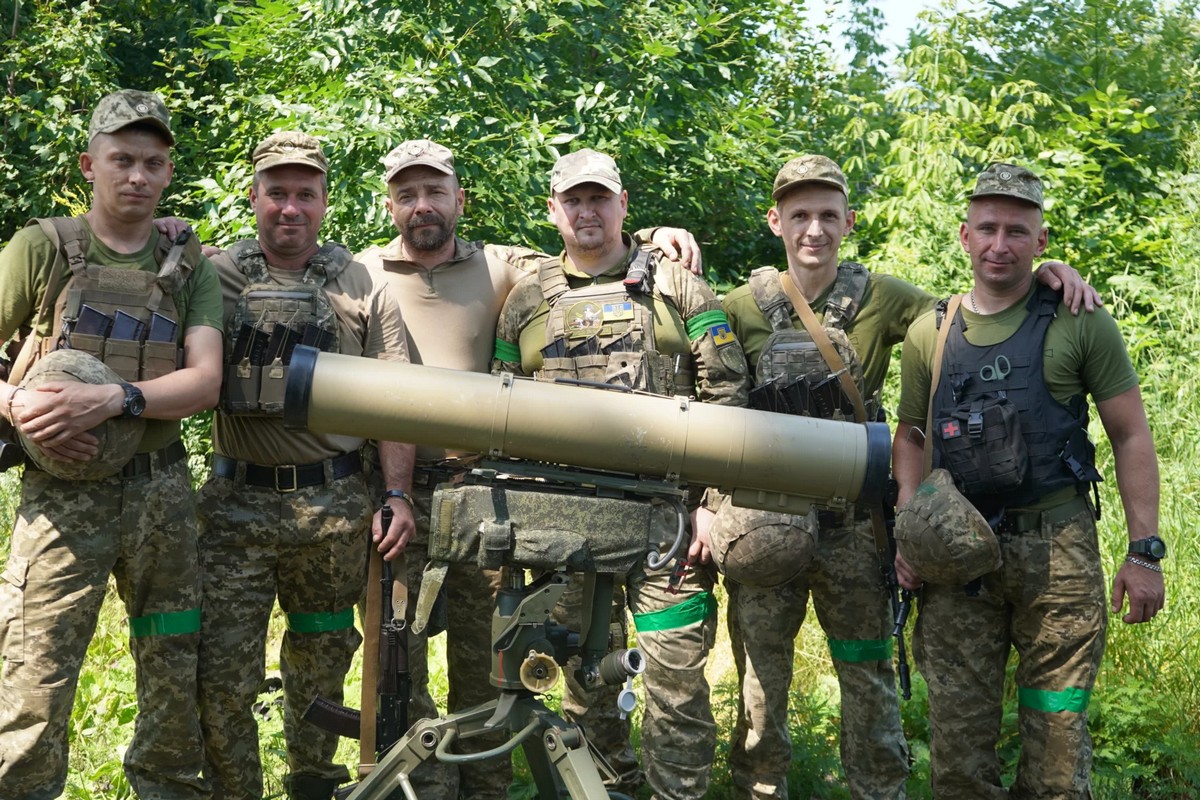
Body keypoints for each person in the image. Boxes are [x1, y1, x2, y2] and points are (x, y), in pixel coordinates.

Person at [712, 154, 1101, 800]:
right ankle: (761, 788)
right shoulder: (741, 307)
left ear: (849, 222)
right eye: (800, 215)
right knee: (759, 686)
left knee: (868, 682)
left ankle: (878, 791)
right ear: (775, 221)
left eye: (829, 216)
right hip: (765, 524)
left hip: (857, 529)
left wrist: (1047, 276)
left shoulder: (882, 297)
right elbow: (702, 382)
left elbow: (971, 321)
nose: (814, 230)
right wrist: (660, 242)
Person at [357, 138, 706, 799]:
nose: (422, 205)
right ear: (390, 204)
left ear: (460, 199)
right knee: (395, 672)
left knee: (489, 669)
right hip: (395, 496)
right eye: (407, 194)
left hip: (487, 495)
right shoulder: (359, 271)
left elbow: (591, 251)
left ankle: (488, 789)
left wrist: (659, 235)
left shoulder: (504, 268)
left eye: (436, 191)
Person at [891, 162, 1165, 798]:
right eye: (986, 228)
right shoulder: (929, 333)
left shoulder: (1080, 320)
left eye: (1018, 230)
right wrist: (909, 529)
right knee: (958, 752)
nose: (999, 244)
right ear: (964, 235)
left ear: (1041, 242)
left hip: (1058, 553)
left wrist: (1144, 552)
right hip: (956, 561)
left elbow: (1131, 435)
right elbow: (910, 435)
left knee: (1056, 752)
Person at [492, 148, 749, 800]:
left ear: (623, 205)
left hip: (667, 525)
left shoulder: (677, 286)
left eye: (598, 198)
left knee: (676, 690)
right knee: (580, 690)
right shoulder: (526, 301)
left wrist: (712, 503)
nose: (586, 211)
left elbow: (728, 398)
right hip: (564, 529)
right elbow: (496, 412)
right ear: (553, 211)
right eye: (573, 200)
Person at [0, 89, 223, 799]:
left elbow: (206, 380)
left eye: (152, 163)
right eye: (121, 160)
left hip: (162, 495)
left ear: (166, 173)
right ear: (88, 164)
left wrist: (116, 397)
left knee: (171, 660)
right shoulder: (43, 248)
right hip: (64, 501)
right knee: (36, 672)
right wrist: (17, 402)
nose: (137, 176)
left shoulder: (189, 263)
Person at [195, 131, 416, 800]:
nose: (290, 208)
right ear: (254, 196)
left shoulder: (361, 282)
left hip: (331, 512)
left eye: (305, 195)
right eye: (277, 193)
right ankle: (236, 790)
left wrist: (398, 494)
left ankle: (314, 783)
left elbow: (397, 399)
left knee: (322, 663)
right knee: (224, 669)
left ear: (325, 202)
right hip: (235, 510)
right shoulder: (212, 275)